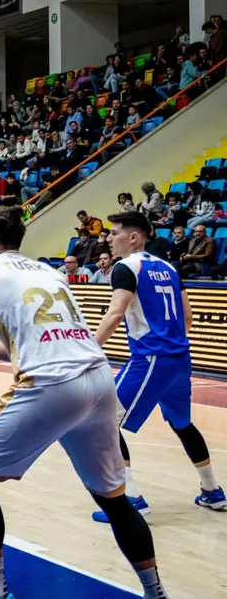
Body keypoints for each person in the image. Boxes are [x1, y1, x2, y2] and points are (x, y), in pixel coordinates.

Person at [0, 206, 166, 599]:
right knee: (115, 500)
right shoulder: (49, 272)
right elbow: (21, 345)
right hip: (99, 380)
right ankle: (156, 593)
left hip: (52, 384)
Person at [91, 211, 225, 523]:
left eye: (114, 233)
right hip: (180, 358)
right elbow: (187, 317)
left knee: (102, 420)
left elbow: (114, 314)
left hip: (151, 358)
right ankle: (212, 490)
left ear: (134, 237)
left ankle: (131, 499)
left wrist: (86, 349)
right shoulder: (169, 266)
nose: (108, 239)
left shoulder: (125, 267)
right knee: (182, 424)